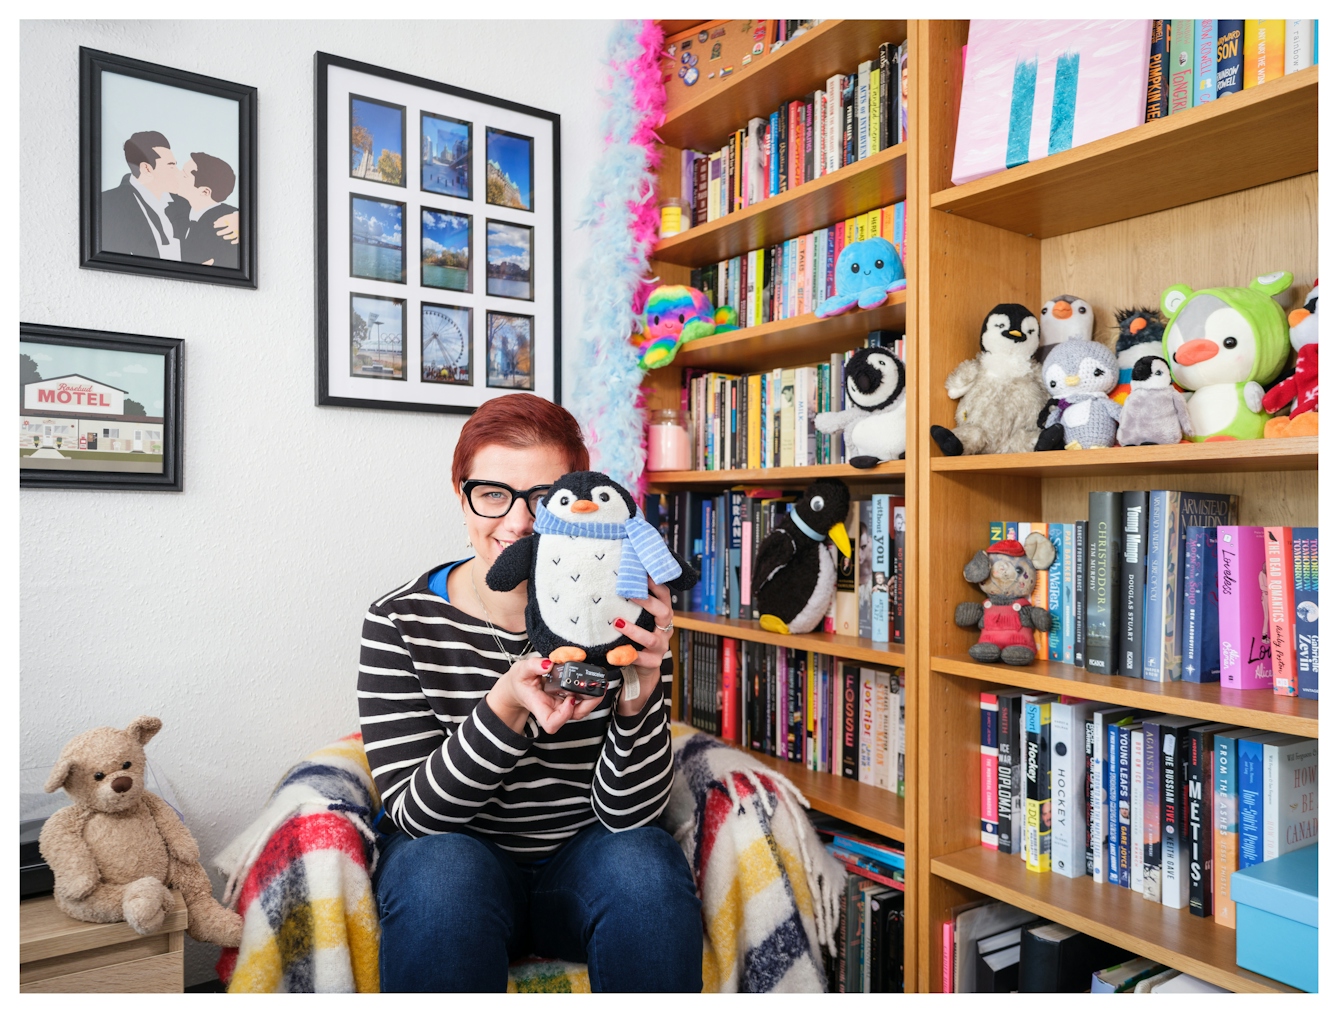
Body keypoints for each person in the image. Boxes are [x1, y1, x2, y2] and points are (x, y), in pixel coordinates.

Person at [359, 394, 702, 993]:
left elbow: (629, 816)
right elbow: (416, 817)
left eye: (544, 500)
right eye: (492, 494)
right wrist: (506, 706)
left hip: (582, 868)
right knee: (441, 871)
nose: (518, 523)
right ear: (460, 492)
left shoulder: (624, 614)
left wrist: (638, 692)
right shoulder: (400, 621)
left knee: (645, 866)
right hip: (457, 869)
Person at [100, 130, 241, 263]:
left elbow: (209, 209)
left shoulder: (182, 204)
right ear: (147, 169)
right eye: (171, 165)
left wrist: (240, 218)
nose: (179, 172)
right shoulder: (107, 204)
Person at [178, 152, 239, 269]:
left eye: (184, 175)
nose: (177, 175)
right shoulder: (176, 208)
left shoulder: (228, 224)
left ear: (204, 191)